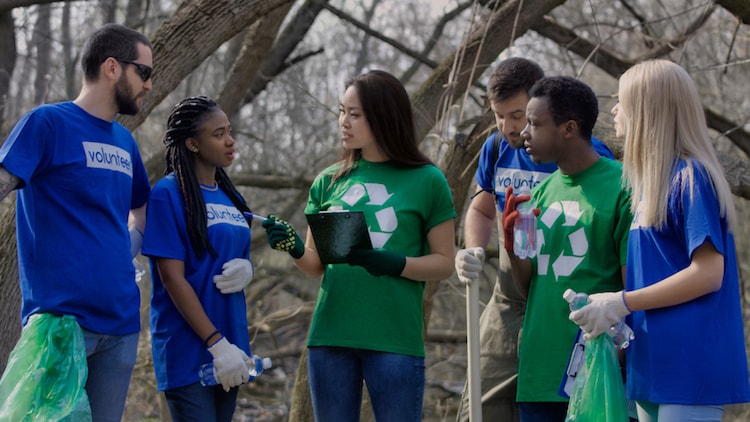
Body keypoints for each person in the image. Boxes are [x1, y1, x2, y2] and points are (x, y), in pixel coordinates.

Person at [260, 69, 456, 421]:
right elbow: (315, 265)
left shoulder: (428, 180)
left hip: (394, 338)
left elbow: (444, 262)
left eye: (355, 113)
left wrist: (396, 263)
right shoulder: (328, 181)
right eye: (341, 111)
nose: (343, 122)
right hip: (331, 335)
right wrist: (291, 246)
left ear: (382, 116)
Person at [569, 59, 750, 421]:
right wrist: (613, 317)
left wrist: (622, 302)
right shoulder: (647, 188)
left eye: (623, 101)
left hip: (689, 367)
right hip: (651, 365)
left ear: (648, 111)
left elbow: (709, 272)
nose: (615, 110)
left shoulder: (691, 178)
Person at [0, 23, 152, 421]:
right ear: (112, 67)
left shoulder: (125, 142)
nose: (149, 85)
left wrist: (127, 248)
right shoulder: (47, 123)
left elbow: (142, 208)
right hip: (61, 329)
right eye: (144, 73)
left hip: (120, 326)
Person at [453, 57, 614, 422]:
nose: (509, 127)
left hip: (561, 288)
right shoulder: (497, 148)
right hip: (511, 290)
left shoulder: (576, 152)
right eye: (499, 115)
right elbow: (480, 209)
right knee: (482, 403)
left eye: (517, 114)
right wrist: (473, 249)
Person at [501, 76, 632, 421]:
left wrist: (620, 360)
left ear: (569, 128)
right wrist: (512, 246)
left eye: (534, 123)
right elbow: (528, 286)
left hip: (598, 374)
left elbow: (633, 290)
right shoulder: (540, 194)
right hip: (538, 374)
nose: (524, 133)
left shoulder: (623, 187)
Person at [141, 96, 256, 422]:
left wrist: (249, 269)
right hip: (190, 350)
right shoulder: (167, 193)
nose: (230, 141)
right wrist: (215, 343)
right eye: (218, 134)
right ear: (192, 143)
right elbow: (171, 278)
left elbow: (232, 259)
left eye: (229, 132)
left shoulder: (231, 197)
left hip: (233, 346)